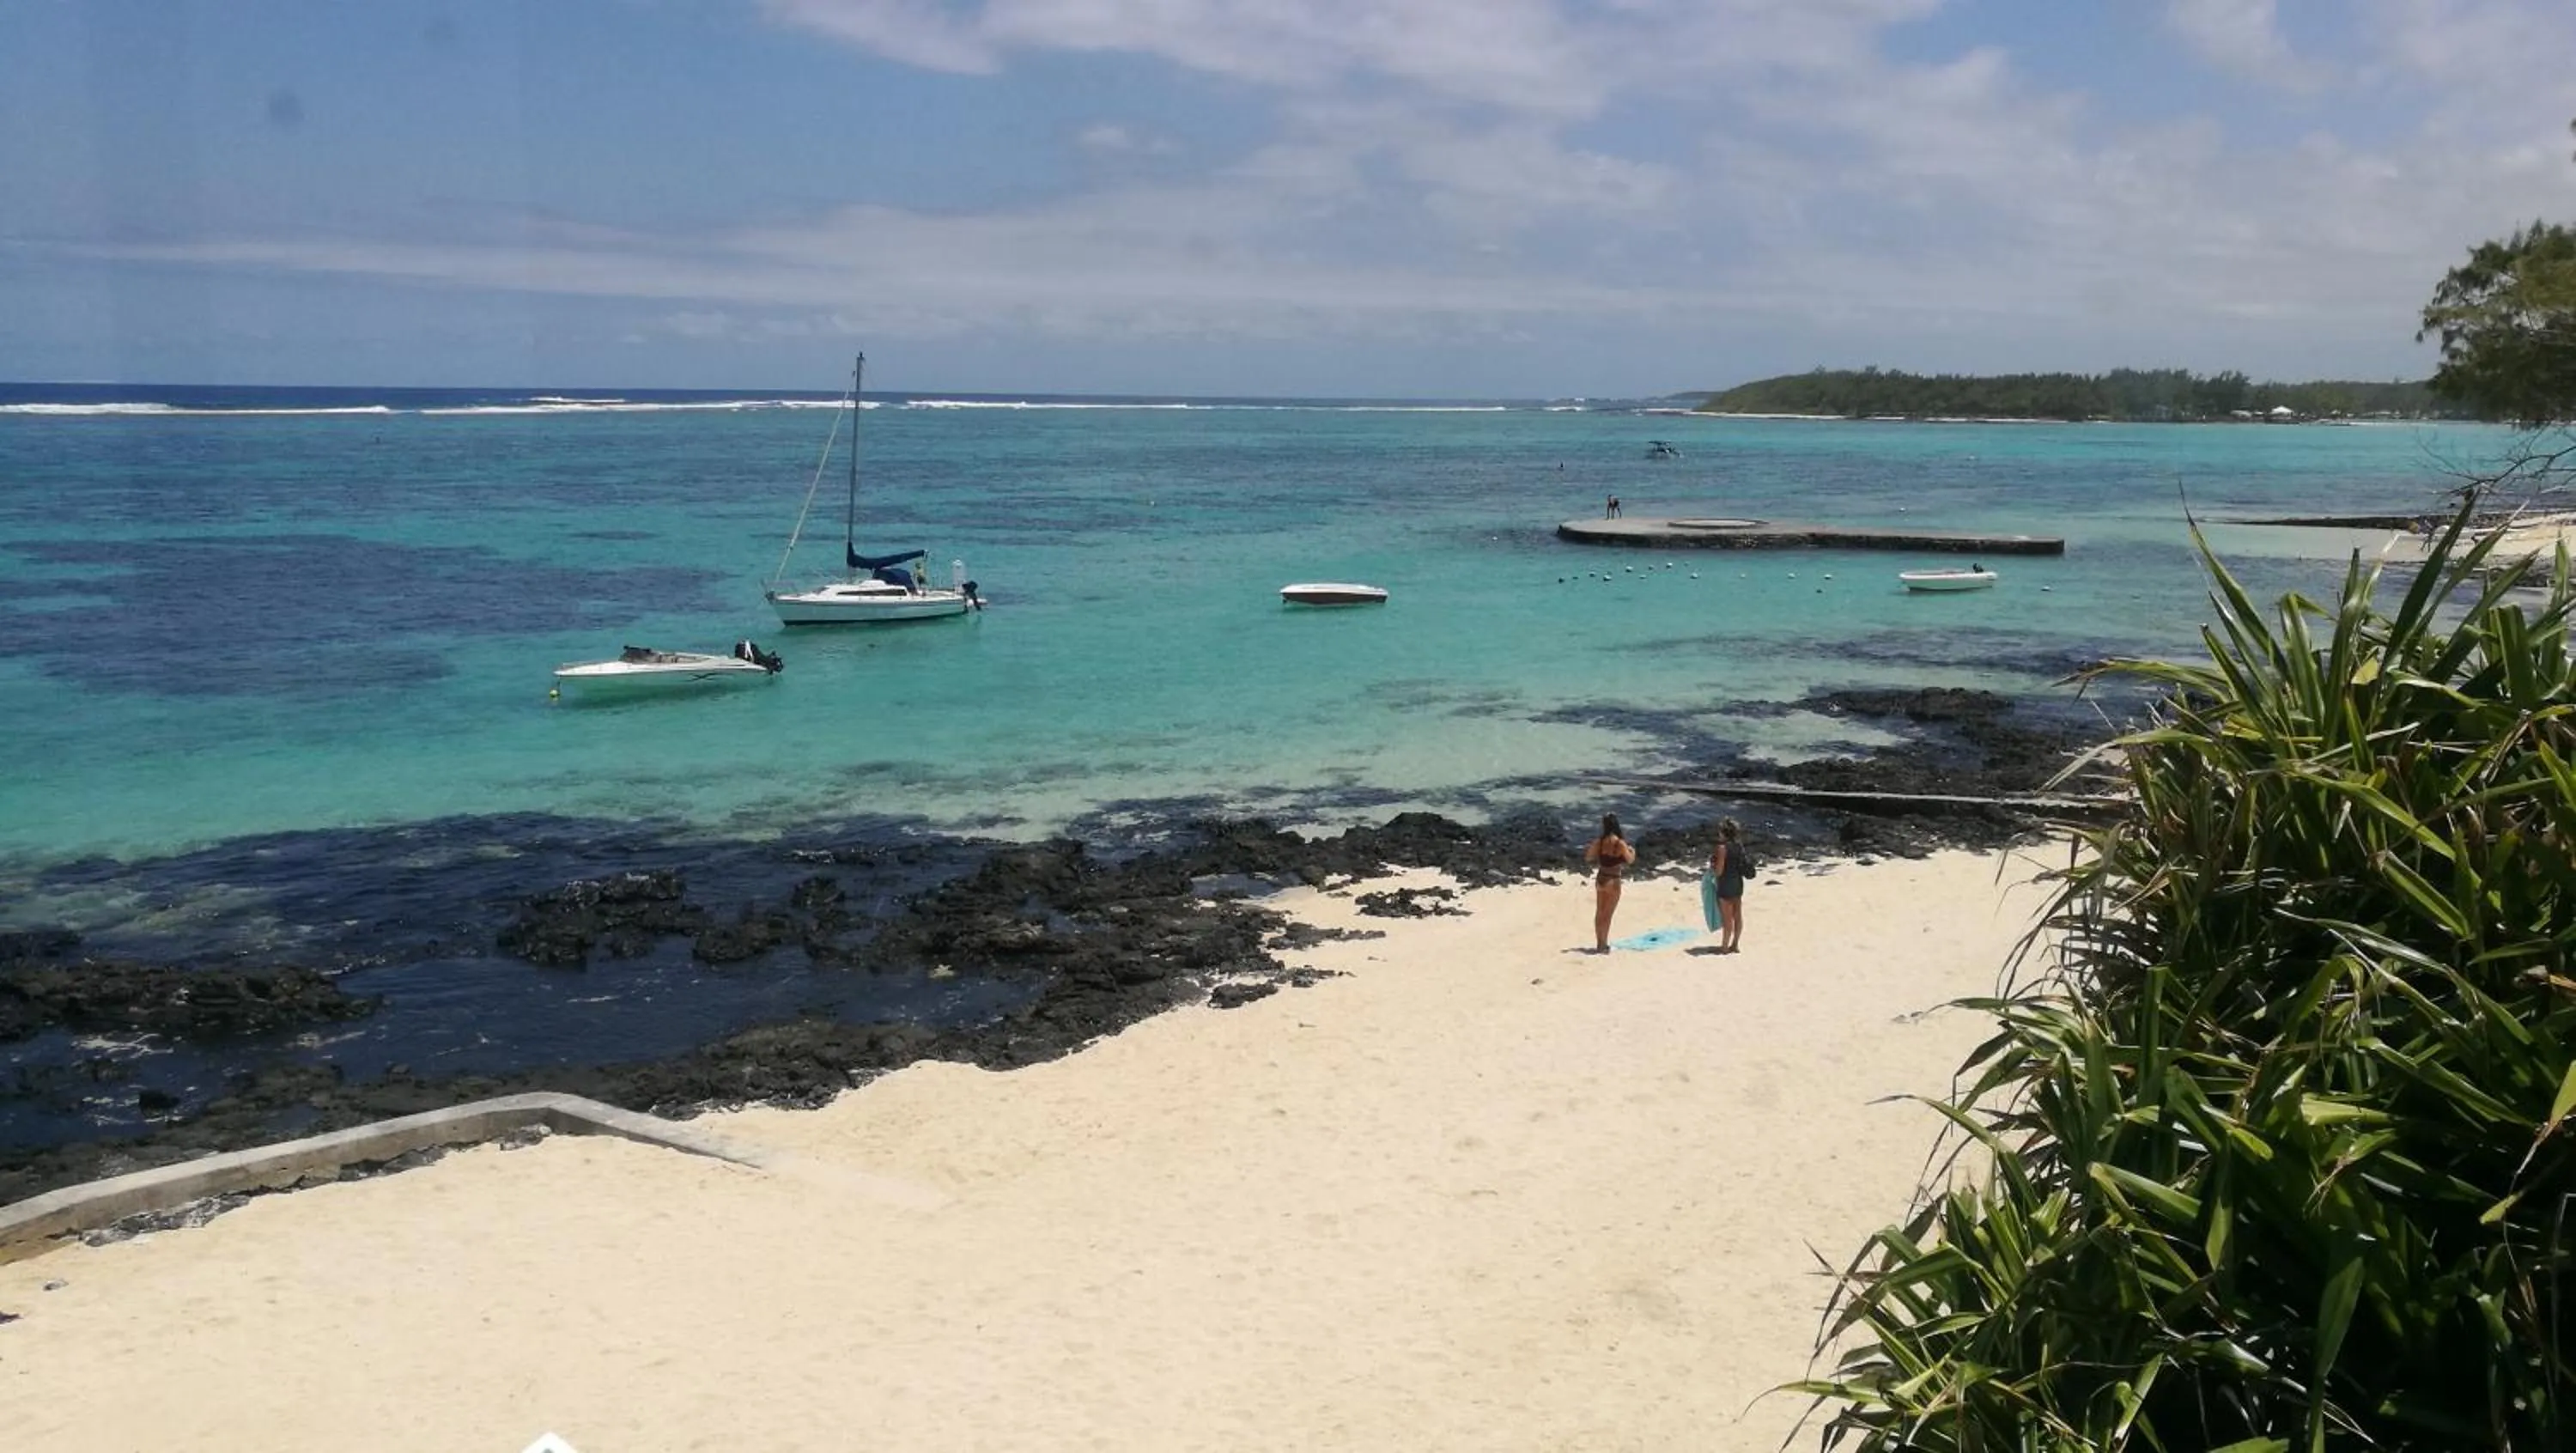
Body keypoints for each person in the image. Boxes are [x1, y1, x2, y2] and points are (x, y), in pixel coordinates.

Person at [1583, 812, 1636, 952]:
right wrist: (1633, 851)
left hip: (1601, 878)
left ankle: (1599, 943)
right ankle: (1603, 945)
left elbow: (1588, 857)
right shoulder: (1619, 843)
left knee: (1599, 912)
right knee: (1608, 915)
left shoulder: (1599, 841)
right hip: (1613, 880)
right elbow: (1630, 860)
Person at [1709, 818, 1749, 953]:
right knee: (1737, 915)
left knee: (1727, 918)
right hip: (1737, 882)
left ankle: (1724, 947)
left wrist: (1712, 869)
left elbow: (1719, 871)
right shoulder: (1739, 846)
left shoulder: (1722, 848)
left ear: (1723, 833)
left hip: (1725, 884)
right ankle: (1735, 945)